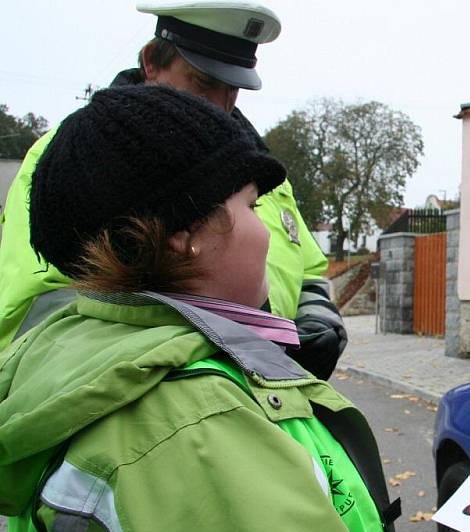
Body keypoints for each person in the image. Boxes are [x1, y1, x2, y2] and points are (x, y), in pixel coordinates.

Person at [0, 85, 470, 532]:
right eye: (250, 206)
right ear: (182, 235)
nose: (269, 230)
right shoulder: (190, 428)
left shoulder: (97, 357)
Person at [0, 0, 346, 380]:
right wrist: (180, 374)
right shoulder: (74, 161)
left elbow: (309, 268)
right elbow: (38, 305)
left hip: (261, 392)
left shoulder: (264, 171)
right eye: (204, 81)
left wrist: (318, 321)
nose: (221, 103)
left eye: (234, 88)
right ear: (152, 62)